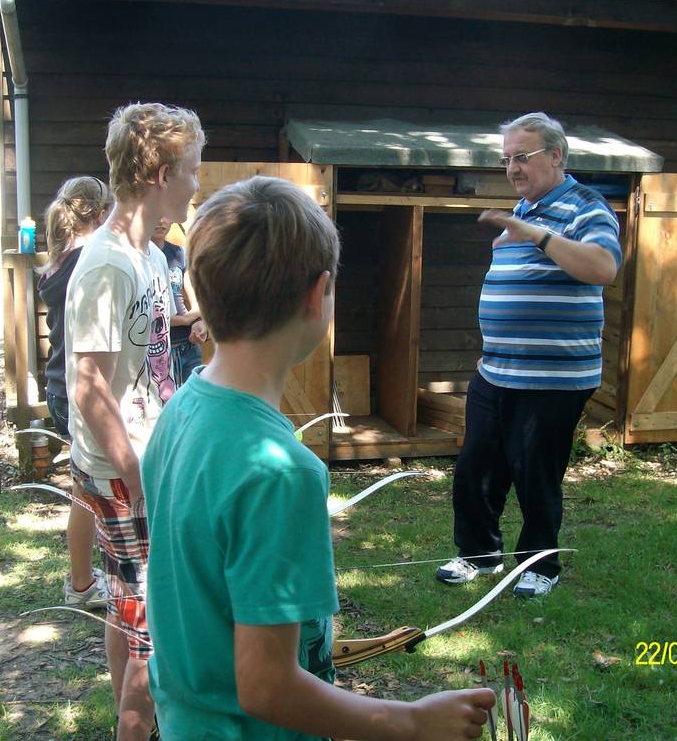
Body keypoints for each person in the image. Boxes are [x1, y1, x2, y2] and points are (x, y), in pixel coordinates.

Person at [142, 176, 495, 741]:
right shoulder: (281, 473)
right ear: (318, 293)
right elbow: (266, 686)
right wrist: (412, 721)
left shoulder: (181, 410)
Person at [435, 112, 622, 596]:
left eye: (522, 157)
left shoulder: (587, 207)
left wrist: (536, 236)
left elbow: (603, 267)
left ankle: (540, 565)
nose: (512, 168)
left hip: (554, 378)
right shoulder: (525, 209)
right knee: (477, 465)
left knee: (535, 473)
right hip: (497, 370)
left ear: (555, 156)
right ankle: (478, 554)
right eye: (506, 160)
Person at [64, 102, 202, 740]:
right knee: (154, 630)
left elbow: (142, 362)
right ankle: (135, 728)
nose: (198, 184)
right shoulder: (107, 263)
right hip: (124, 471)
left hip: (140, 456)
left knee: (127, 612)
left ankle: (129, 725)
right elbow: (89, 384)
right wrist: (136, 473)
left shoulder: (148, 254)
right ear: (161, 173)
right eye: (193, 171)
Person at [37, 176, 114, 610]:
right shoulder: (89, 259)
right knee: (87, 489)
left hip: (60, 386)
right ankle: (82, 583)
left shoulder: (63, 259)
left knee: (85, 487)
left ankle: (85, 577)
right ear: (100, 214)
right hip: (72, 388)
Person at [151, 221, 208, 386]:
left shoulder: (179, 253)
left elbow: (197, 299)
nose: (161, 221)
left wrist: (200, 321)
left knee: (194, 400)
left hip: (187, 345)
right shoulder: (140, 256)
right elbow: (146, 313)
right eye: (157, 213)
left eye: (166, 215)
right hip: (158, 349)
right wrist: (183, 320)